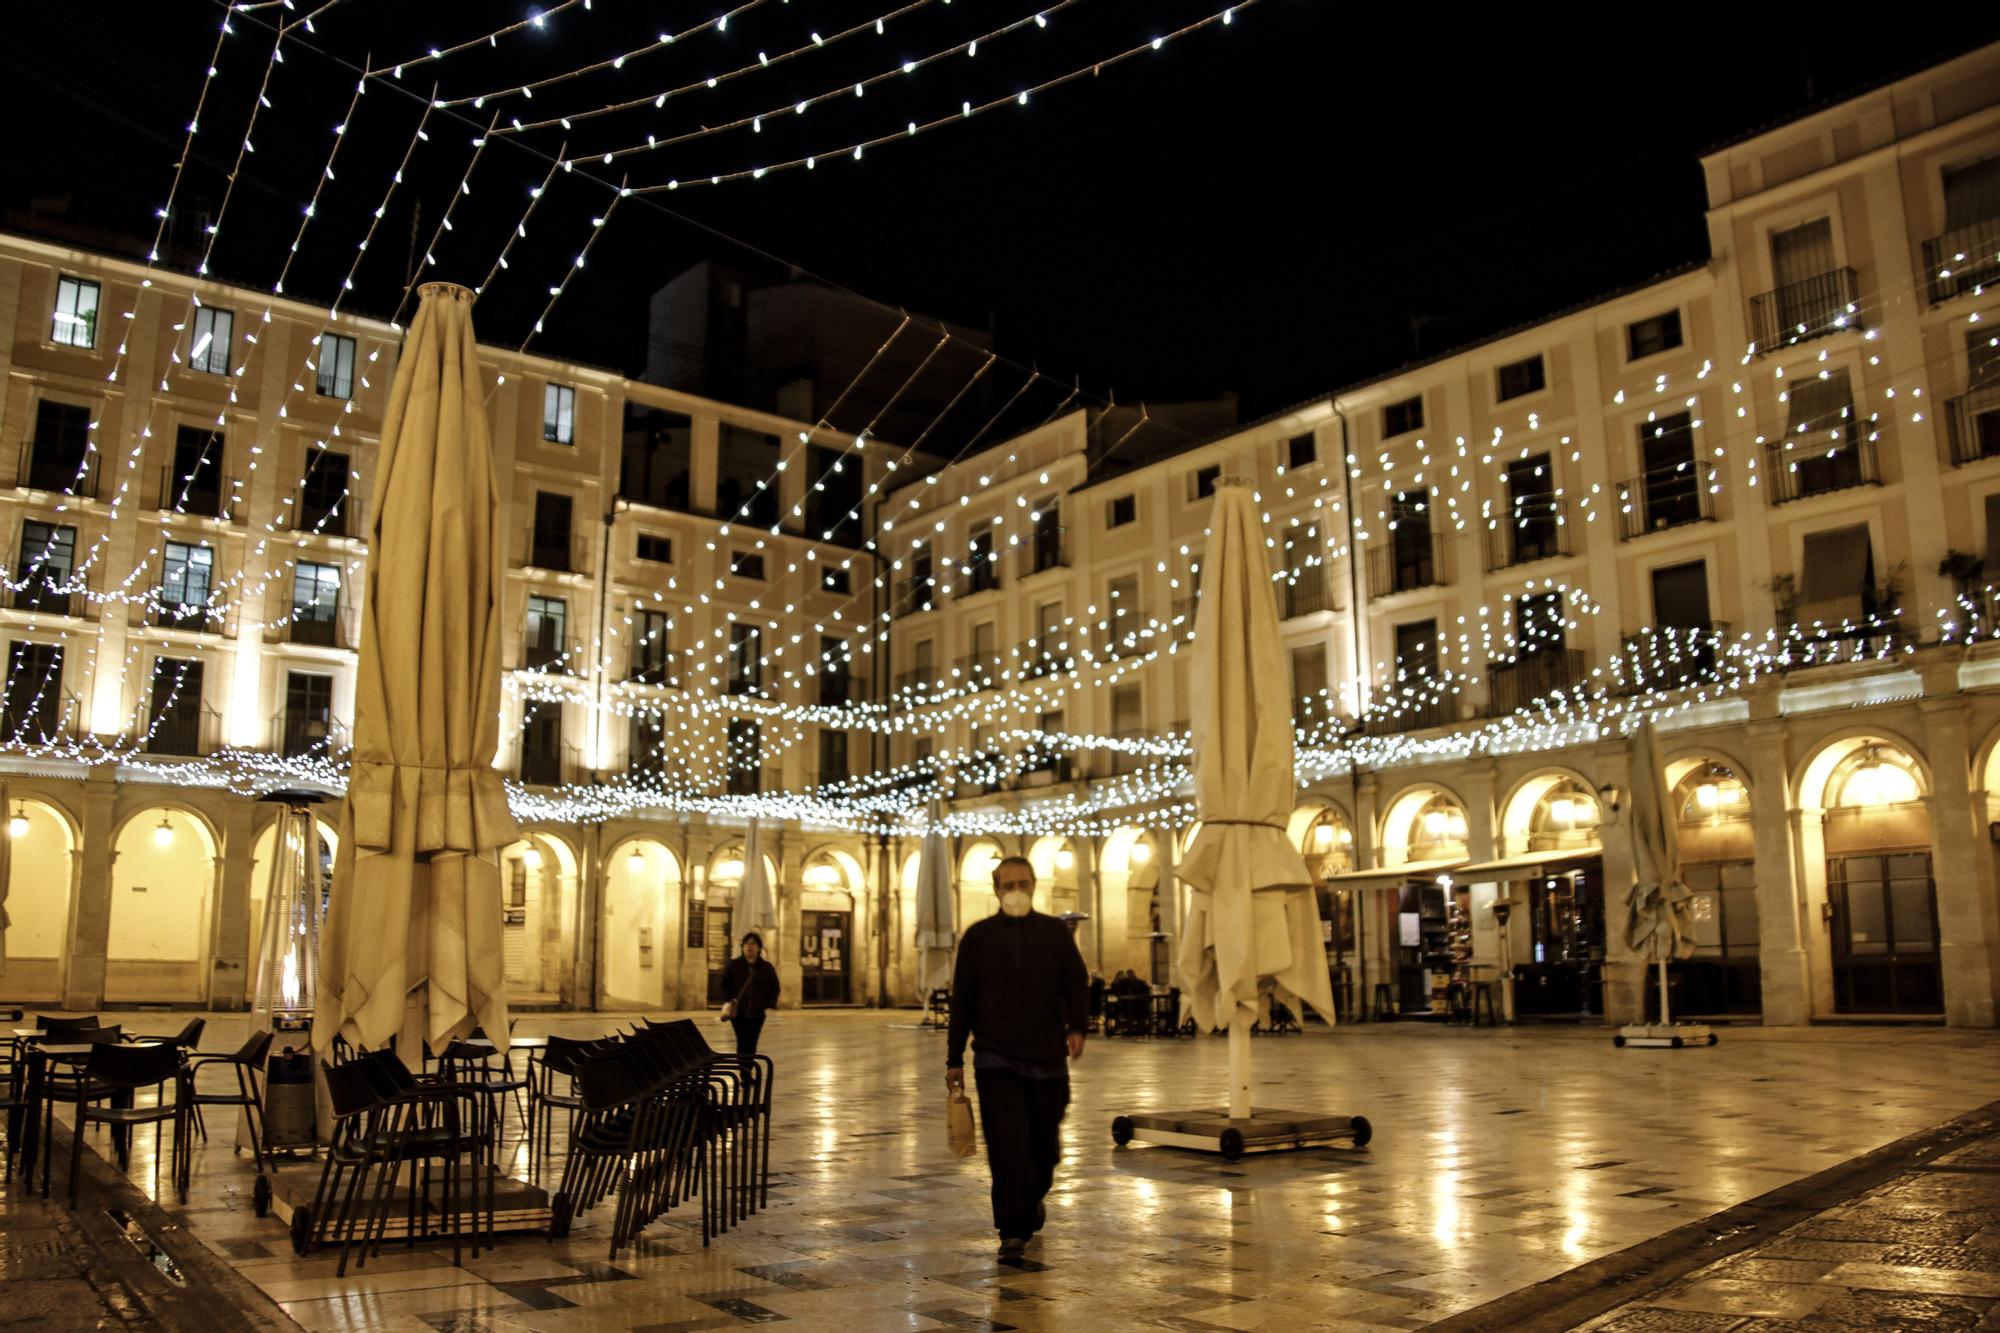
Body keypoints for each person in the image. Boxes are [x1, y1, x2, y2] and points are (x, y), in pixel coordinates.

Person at [946, 855, 1088, 1264]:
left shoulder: (1055, 933)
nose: (1016, 891)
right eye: (1008, 885)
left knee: (1044, 1149)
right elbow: (963, 1002)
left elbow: (1077, 981)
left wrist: (1076, 1027)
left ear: (1034, 885)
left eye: (1023, 883)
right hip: (995, 1058)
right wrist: (953, 1058)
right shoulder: (977, 937)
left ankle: (1031, 1199)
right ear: (995, 890)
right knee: (1007, 1146)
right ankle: (1012, 1230)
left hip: (1047, 1058)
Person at [719, 932, 780, 1056]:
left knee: (752, 1043)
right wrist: (730, 999)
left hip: (757, 1014)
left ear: (759, 948)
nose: (749, 947)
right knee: (742, 1042)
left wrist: (767, 1004)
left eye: (753, 944)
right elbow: (723, 984)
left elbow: (774, 987)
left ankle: (747, 1070)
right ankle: (745, 1073)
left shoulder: (766, 967)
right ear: (742, 947)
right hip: (738, 1013)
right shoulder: (734, 965)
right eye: (746, 943)